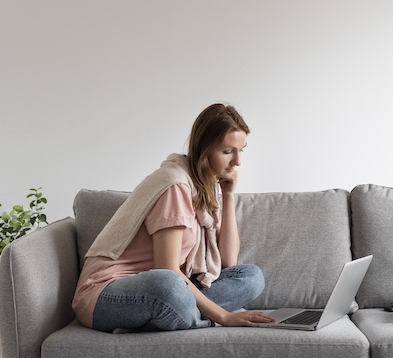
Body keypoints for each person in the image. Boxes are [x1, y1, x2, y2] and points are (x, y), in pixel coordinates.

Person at [73, 103, 274, 332]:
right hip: (108, 294)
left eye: (241, 150)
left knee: (251, 276)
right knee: (169, 286)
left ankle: (165, 320)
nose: (237, 161)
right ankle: (195, 319)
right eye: (228, 151)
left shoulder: (204, 187)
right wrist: (224, 316)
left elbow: (228, 262)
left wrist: (228, 195)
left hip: (167, 288)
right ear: (204, 149)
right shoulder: (175, 185)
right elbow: (167, 269)